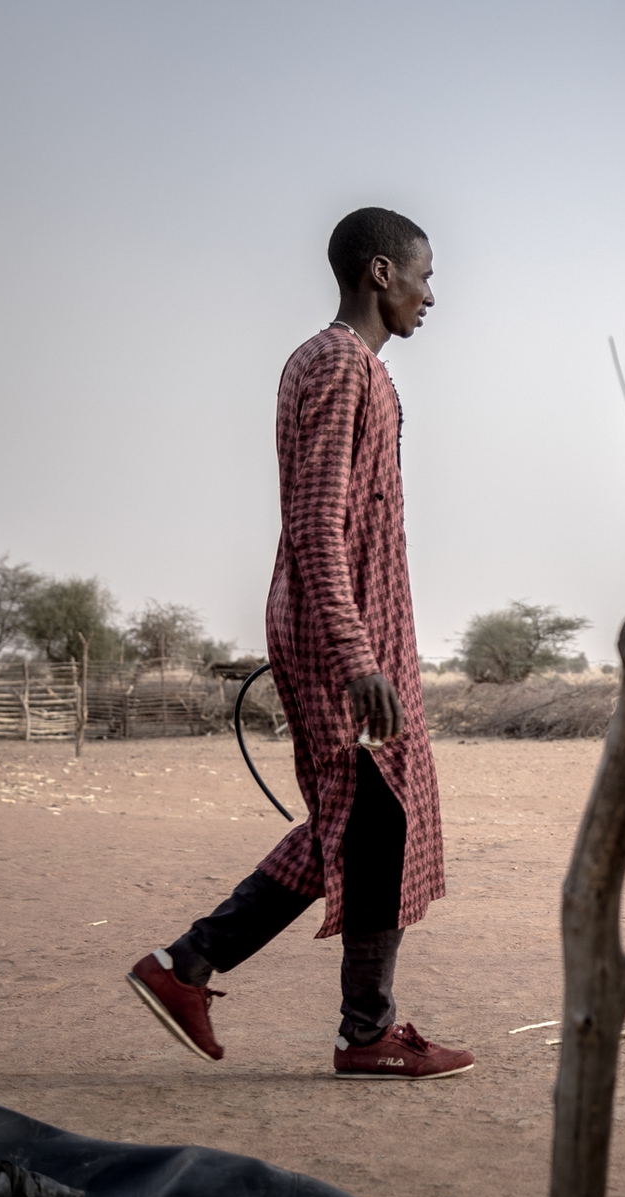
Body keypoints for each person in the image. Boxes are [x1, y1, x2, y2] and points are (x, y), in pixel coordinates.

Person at [125, 208, 473, 1078]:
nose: (434, 296)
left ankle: (207, 976)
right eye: (426, 276)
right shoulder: (338, 364)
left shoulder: (358, 371)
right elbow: (316, 525)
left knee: (362, 824)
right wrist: (357, 657)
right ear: (382, 273)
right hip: (335, 632)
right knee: (369, 820)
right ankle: (342, 1024)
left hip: (360, 630)